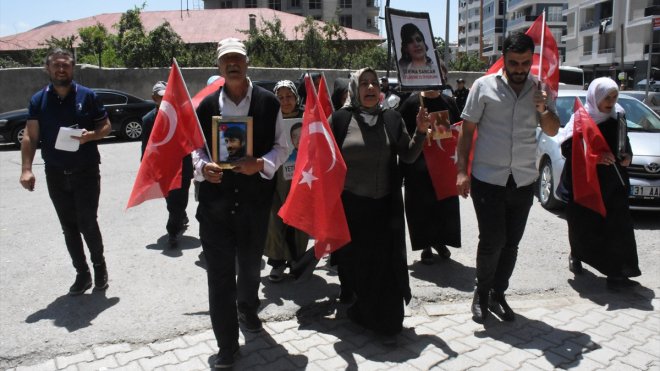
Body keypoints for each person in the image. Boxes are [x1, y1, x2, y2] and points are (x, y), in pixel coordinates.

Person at [191, 38, 288, 368]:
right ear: (218, 67)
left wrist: (260, 164)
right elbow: (196, 149)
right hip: (215, 208)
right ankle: (227, 346)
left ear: (247, 64)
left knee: (249, 268)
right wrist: (203, 167)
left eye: (238, 59)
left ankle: (247, 308)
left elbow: (282, 147)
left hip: (253, 207)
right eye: (226, 60)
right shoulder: (205, 107)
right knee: (218, 278)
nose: (232, 64)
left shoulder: (268, 102)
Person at [456, 32, 559, 324]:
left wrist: (543, 109)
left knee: (511, 243)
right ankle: (481, 293)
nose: (519, 69)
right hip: (488, 178)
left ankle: (498, 294)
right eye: (513, 62)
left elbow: (552, 130)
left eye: (525, 63)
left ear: (531, 61)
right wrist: (462, 171)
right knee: (492, 240)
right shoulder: (483, 87)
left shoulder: (540, 90)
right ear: (504, 59)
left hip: (524, 180)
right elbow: (467, 132)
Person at [329, 67, 431, 344]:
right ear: (354, 89)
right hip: (352, 208)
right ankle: (361, 310)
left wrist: (421, 133)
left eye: (374, 82)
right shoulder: (339, 120)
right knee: (359, 265)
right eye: (364, 83)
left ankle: (386, 321)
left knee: (386, 267)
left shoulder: (392, 118)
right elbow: (324, 160)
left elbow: (408, 156)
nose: (370, 87)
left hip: (386, 209)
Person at [19, 48, 112, 296]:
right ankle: (82, 274)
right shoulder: (38, 100)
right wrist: (26, 169)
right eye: (57, 65)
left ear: (73, 68)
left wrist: (90, 136)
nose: (62, 69)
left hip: (86, 171)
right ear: (48, 68)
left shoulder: (88, 96)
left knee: (87, 222)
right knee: (68, 227)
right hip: (56, 173)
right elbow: (30, 135)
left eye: (66, 65)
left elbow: (105, 126)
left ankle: (100, 268)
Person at [559, 77, 640, 290]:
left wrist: (627, 157)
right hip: (584, 183)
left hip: (613, 182)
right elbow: (568, 149)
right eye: (607, 97)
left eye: (614, 96)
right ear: (596, 97)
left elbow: (625, 144)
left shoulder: (618, 116)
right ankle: (577, 254)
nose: (611, 101)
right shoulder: (581, 118)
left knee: (618, 227)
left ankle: (617, 273)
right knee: (583, 225)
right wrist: (594, 157)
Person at [398, 85, 462, 265]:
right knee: (420, 207)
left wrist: (440, 134)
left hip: (442, 166)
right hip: (418, 168)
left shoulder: (448, 102)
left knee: (443, 207)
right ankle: (425, 245)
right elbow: (401, 133)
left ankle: (439, 242)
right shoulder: (412, 103)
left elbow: (458, 129)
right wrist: (419, 133)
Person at [263, 80, 308, 282]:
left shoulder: (307, 118)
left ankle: (297, 260)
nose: (285, 101)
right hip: (276, 179)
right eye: (280, 97)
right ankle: (277, 262)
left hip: (302, 179)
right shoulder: (269, 118)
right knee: (275, 220)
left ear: (296, 97)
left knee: (300, 220)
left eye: (289, 96)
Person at [141, 81, 193, 246]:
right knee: (171, 202)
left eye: (166, 97)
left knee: (181, 198)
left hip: (182, 166)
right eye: (160, 97)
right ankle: (173, 231)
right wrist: (146, 167)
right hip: (163, 168)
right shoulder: (148, 120)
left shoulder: (182, 116)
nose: (163, 100)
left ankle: (179, 216)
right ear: (153, 98)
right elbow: (146, 147)